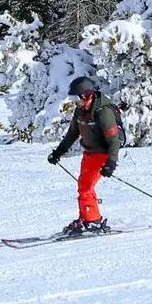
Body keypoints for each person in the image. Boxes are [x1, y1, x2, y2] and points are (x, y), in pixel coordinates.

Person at [46, 74, 122, 235]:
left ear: (87, 95)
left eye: (77, 99)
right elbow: (72, 133)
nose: (76, 103)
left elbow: (114, 141)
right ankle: (87, 217)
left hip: (101, 154)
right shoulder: (81, 111)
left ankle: (92, 221)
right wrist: (58, 152)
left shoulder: (103, 113)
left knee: (85, 187)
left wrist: (111, 163)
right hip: (89, 153)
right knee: (85, 186)